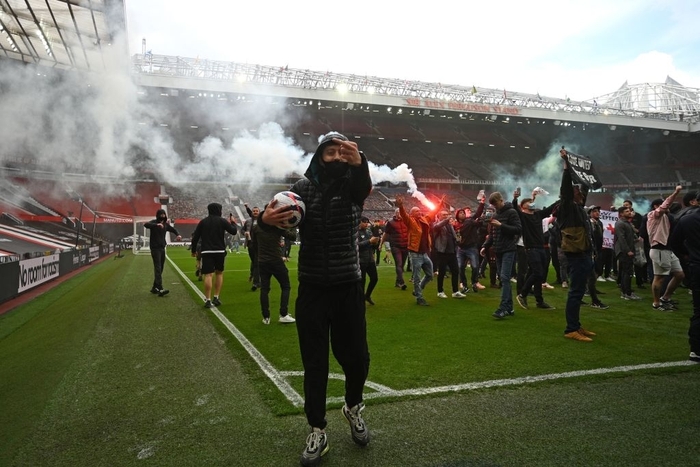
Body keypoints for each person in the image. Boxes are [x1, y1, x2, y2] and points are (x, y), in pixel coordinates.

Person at [258, 132, 372, 466]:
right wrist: (263, 222)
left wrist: (360, 163)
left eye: (342, 151)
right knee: (315, 363)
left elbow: (363, 186)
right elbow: (275, 222)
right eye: (330, 151)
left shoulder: (353, 186)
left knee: (356, 359)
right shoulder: (301, 190)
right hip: (312, 288)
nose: (337, 156)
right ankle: (317, 428)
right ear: (319, 155)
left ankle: (352, 407)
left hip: (348, 284)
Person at [556, 149, 597, 342]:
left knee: (579, 292)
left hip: (584, 253)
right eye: (577, 191)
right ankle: (571, 329)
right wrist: (566, 166)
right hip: (576, 254)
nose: (580, 192)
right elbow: (566, 190)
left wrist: (586, 169)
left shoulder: (579, 208)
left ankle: (577, 326)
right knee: (575, 292)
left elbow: (585, 187)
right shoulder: (567, 206)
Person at [513, 190, 557, 310]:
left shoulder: (538, 215)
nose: (532, 203)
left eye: (532, 202)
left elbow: (550, 208)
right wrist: (515, 199)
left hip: (541, 247)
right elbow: (515, 209)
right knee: (537, 272)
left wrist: (561, 199)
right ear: (523, 207)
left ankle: (539, 301)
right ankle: (522, 294)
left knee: (539, 274)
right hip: (531, 248)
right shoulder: (523, 217)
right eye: (529, 202)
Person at [480, 192, 521, 319]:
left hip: (508, 249)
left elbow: (518, 229)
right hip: (498, 249)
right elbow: (493, 233)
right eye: (493, 205)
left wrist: (501, 225)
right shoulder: (496, 214)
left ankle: (503, 307)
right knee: (504, 278)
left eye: (496, 204)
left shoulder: (512, 212)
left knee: (504, 277)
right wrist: (485, 246)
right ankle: (509, 307)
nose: (495, 207)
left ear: (501, 200)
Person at [190, 203, 238, 308]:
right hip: (220, 251)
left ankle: (208, 300)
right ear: (219, 210)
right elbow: (234, 232)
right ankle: (216, 297)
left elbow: (195, 238)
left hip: (206, 251)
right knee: (219, 273)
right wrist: (233, 222)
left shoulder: (203, 222)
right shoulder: (222, 221)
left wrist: (193, 251)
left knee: (208, 275)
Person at [668, 205, 700, 363]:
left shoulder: (687, 219)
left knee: (698, 310)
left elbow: (674, 242)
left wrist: (687, 255)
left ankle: (696, 349)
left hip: (696, 266)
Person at [253, 217, 297, 325]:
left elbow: (254, 244)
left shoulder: (256, 227)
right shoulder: (277, 226)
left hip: (262, 261)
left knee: (264, 288)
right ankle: (283, 314)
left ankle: (266, 317)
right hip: (275, 260)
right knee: (286, 286)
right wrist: (291, 224)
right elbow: (293, 237)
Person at [647, 187, 685, 311]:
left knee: (679, 275)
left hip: (667, 249)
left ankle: (665, 298)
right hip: (659, 249)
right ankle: (656, 303)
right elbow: (665, 205)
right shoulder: (654, 215)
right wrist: (676, 192)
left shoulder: (666, 218)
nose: (667, 205)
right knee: (659, 277)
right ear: (656, 206)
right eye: (662, 203)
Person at [396, 195, 434, 306]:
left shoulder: (424, 219)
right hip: (415, 253)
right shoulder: (410, 221)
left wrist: (440, 204)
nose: (419, 212)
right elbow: (403, 215)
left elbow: (432, 213)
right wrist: (401, 206)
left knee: (430, 275)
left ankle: (418, 290)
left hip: (424, 253)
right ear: (412, 214)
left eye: (419, 210)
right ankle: (419, 298)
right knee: (416, 277)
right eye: (417, 211)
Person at [144, 209, 181, 297]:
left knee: (161, 268)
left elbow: (173, 229)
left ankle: (154, 287)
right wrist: (156, 225)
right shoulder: (154, 223)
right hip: (155, 249)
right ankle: (160, 288)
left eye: (164, 214)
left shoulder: (165, 225)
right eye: (161, 214)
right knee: (158, 267)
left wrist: (178, 235)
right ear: (158, 215)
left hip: (162, 248)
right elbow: (145, 224)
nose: (163, 216)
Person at [432, 207, 466, 299]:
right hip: (442, 252)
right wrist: (447, 220)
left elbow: (452, 236)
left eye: (447, 215)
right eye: (444, 215)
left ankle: (455, 291)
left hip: (451, 252)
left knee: (455, 271)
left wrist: (457, 240)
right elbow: (437, 227)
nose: (446, 216)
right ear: (439, 216)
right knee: (442, 272)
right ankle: (440, 291)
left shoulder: (449, 225)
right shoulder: (436, 224)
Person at [454, 200, 486, 293]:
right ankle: (463, 284)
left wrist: (482, 203)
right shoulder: (455, 225)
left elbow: (477, 214)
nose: (463, 214)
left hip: (471, 248)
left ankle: (474, 282)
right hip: (461, 248)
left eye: (463, 213)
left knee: (475, 266)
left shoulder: (469, 221)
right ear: (457, 215)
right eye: (461, 213)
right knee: (460, 267)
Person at [614, 206, 640, 300]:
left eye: (630, 211)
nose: (629, 212)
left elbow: (629, 237)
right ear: (621, 213)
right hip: (624, 251)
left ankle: (625, 292)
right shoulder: (620, 223)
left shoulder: (627, 223)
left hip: (627, 250)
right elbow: (622, 239)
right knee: (626, 272)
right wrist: (627, 250)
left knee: (627, 272)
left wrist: (636, 240)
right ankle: (627, 293)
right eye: (627, 211)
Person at [381, 208, 409, 290]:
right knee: (399, 264)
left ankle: (397, 282)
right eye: (398, 212)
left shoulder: (406, 221)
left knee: (401, 265)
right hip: (395, 246)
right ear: (395, 213)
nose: (400, 214)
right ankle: (401, 282)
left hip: (405, 246)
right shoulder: (390, 223)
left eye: (401, 212)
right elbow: (385, 234)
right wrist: (381, 244)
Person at [358, 216, 380, 305]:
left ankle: (367, 295)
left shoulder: (368, 231)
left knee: (374, 278)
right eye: (364, 222)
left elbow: (372, 244)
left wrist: (376, 242)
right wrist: (370, 241)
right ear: (359, 222)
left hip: (370, 259)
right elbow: (357, 245)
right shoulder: (355, 232)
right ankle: (360, 300)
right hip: (361, 260)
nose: (366, 224)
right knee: (362, 282)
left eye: (367, 222)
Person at [243, 204, 261, 290]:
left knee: (257, 263)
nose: (255, 212)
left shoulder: (262, 221)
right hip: (250, 244)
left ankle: (256, 283)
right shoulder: (248, 221)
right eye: (254, 211)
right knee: (254, 262)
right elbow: (242, 230)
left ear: (259, 212)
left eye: (256, 211)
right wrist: (245, 233)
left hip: (260, 245)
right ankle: (253, 276)